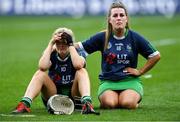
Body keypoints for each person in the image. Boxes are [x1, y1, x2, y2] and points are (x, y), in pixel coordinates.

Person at [76, 1, 160, 109]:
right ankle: (113, 98)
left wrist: (140, 71)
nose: (118, 18)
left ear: (126, 19)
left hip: (129, 81)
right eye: (115, 15)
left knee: (127, 104)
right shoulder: (103, 36)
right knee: (109, 104)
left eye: (122, 15)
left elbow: (155, 55)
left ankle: (132, 99)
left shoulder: (134, 37)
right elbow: (79, 46)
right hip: (108, 81)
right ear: (110, 20)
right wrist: (62, 43)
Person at [12, 27, 97, 114]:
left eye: (64, 42)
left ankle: (87, 103)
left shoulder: (77, 52)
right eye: (58, 42)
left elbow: (78, 65)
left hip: (74, 96)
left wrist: (71, 45)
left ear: (70, 43)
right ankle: (25, 104)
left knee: (81, 71)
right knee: (40, 74)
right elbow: (42, 66)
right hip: (53, 97)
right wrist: (51, 44)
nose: (61, 45)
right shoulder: (51, 53)